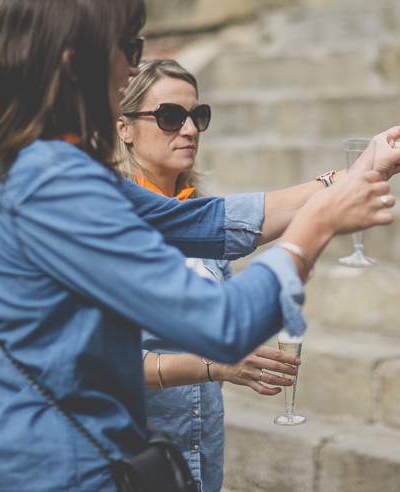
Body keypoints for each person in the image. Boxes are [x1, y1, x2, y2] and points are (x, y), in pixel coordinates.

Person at [0, 0, 400, 492]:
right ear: (76, 62)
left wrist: (349, 177)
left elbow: (205, 222)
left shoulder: (20, 161)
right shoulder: (58, 184)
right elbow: (224, 325)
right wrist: (320, 224)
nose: (132, 71)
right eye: (129, 49)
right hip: (43, 467)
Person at [114, 58, 299, 491]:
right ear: (124, 127)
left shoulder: (200, 208)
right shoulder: (111, 218)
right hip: (134, 450)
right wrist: (215, 366)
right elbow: (103, 362)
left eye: (197, 116)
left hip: (200, 445)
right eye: (170, 117)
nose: (190, 129)